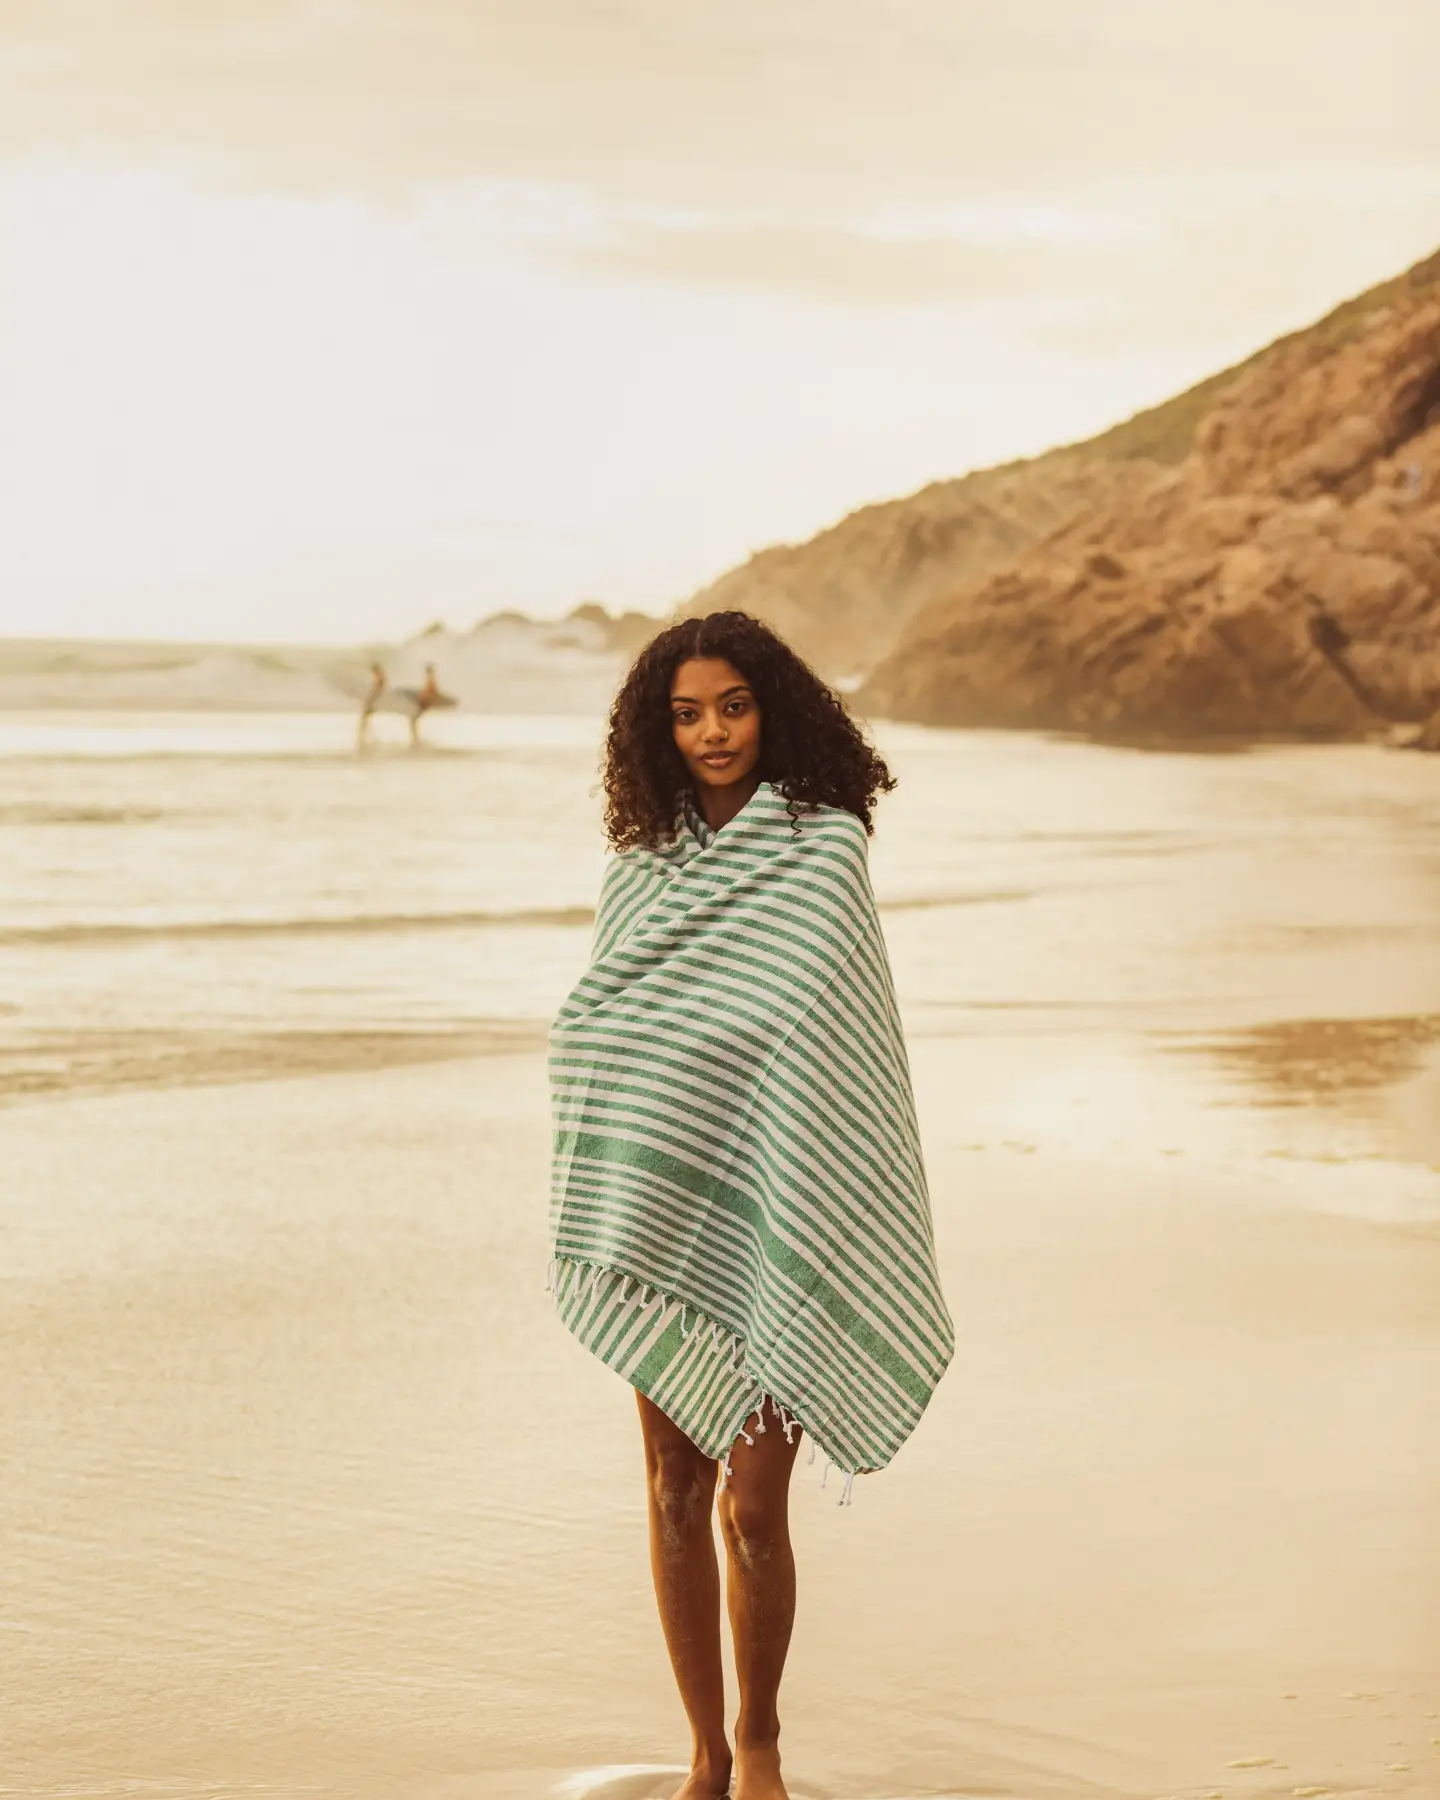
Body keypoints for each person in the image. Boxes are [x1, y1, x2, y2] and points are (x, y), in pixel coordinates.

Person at [547, 611, 953, 1800]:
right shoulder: (641, 867)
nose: (713, 731)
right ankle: (704, 1754)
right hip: (668, 1226)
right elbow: (604, 1029)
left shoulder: (823, 852)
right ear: (655, 731)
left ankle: (764, 1741)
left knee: (754, 1500)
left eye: (732, 705)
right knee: (673, 1487)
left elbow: (835, 1054)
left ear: (772, 710)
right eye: (686, 713)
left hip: (783, 1211)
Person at [357, 661, 386, 747]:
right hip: (374, 698)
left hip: (374, 698)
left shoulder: (379, 676)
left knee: (366, 716)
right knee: (367, 717)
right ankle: (366, 733)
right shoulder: (380, 675)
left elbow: (378, 688)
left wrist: (372, 699)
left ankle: (365, 733)